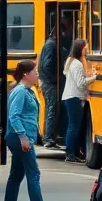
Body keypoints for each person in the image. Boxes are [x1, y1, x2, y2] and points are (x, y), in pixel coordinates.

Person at [2, 60, 62, 201]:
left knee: (16, 175)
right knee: (33, 174)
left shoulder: (26, 90)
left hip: (19, 137)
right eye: (35, 72)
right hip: (21, 139)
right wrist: (23, 138)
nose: (37, 75)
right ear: (25, 74)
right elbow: (14, 116)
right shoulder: (21, 91)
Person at [39, 13, 73, 144]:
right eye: (65, 30)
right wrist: (56, 78)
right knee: (52, 109)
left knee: (55, 108)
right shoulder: (51, 45)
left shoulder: (51, 44)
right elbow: (47, 64)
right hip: (50, 83)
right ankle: (48, 137)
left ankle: (52, 136)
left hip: (49, 82)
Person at [61, 38, 96, 163]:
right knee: (73, 126)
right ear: (80, 48)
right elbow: (80, 83)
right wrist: (93, 78)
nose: (86, 50)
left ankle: (73, 152)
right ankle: (70, 153)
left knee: (73, 126)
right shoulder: (77, 64)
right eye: (85, 47)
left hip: (70, 97)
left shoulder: (70, 62)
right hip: (74, 97)